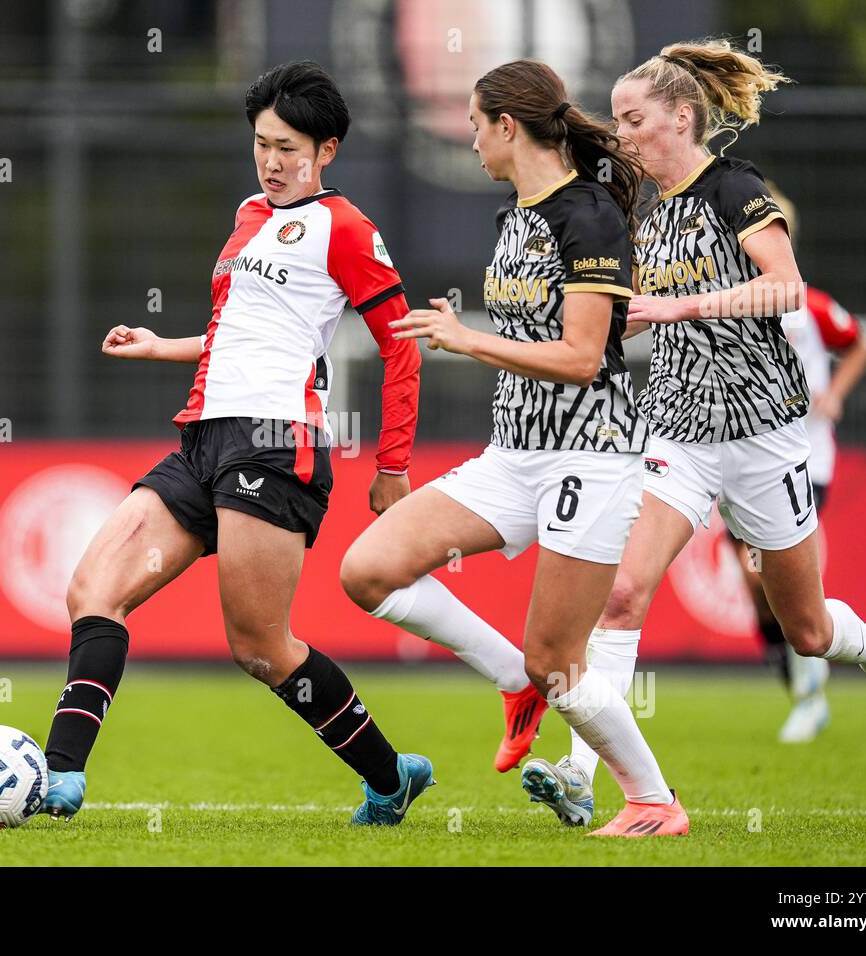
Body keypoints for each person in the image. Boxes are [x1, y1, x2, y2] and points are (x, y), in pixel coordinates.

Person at [523, 39, 866, 827]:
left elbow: (785, 289)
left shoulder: (734, 187)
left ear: (683, 117)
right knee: (620, 597)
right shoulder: (639, 206)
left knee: (807, 631)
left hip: (767, 437)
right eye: (615, 119)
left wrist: (680, 307)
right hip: (676, 432)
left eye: (633, 118)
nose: (623, 133)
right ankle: (583, 774)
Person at [39, 60, 433, 826]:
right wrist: (160, 346)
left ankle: (389, 777)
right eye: (262, 144)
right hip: (201, 441)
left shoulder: (347, 229)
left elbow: (403, 347)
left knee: (258, 647)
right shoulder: (250, 213)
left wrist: (391, 467)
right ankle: (57, 779)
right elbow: (236, 335)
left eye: (289, 148)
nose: (273, 162)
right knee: (93, 592)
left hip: (274, 444)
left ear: (328, 151)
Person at [341, 58, 689, 837]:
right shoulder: (516, 214)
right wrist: (475, 338)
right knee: (367, 571)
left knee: (559, 658)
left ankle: (654, 803)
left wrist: (470, 341)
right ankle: (512, 680)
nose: (470, 142)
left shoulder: (589, 215)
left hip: (589, 455)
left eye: (474, 125)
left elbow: (580, 357)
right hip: (514, 455)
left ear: (508, 125)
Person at [727, 185, 866, 743]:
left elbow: (859, 342)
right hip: (741, 458)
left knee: (764, 570)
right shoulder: (729, 302)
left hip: (805, 460)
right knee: (754, 584)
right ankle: (799, 688)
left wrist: (833, 393)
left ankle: (811, 694)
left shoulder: (807, 304)